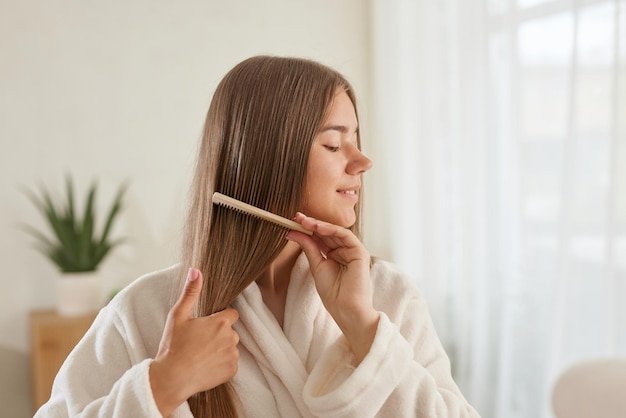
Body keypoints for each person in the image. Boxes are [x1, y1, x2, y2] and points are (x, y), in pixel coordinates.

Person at [34, 56, 480, 418]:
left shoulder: (386, 297)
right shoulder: (145, 311)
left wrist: (362, 328)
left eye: (356, 139)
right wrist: (162, 385)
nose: (362, 160)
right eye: (333, 143)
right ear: (268, 159)